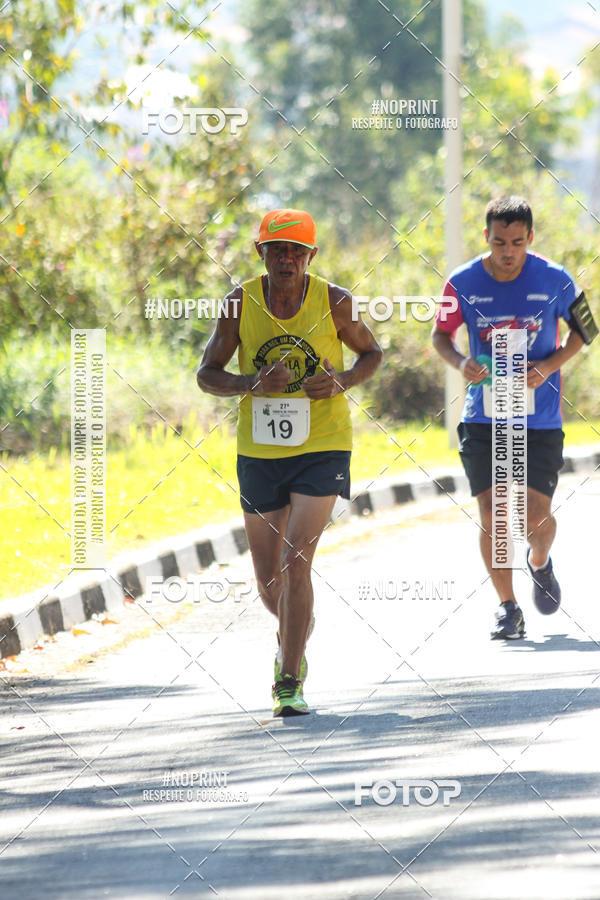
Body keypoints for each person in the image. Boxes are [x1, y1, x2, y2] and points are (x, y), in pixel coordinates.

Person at [197, 208, 382, 714]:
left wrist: (341, 380)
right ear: (261, 253)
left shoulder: (335, 301)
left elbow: (373, 354)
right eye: (276, 249)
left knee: (296, 559)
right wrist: (248, 384)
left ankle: (287, 679)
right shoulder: (240, 304)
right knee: (269, 582)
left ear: (310, 256)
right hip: (260, 450)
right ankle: (295, 635)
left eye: (296, 250)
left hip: (322, 444)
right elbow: (206, 373)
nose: (286, 259)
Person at [432, 195, 596, 640]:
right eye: (500, 241)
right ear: (485, 236)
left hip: (538, 420)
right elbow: (440, 335)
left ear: (530, 239)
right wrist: (461, 361)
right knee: (494, 513)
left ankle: (539, 561)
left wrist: (548, 366)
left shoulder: (556, 278)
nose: (508, 252)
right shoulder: (461, 281)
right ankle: (507, 607)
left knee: (535, 520)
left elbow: (588, 330)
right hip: (484, 415)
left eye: (517, 243)